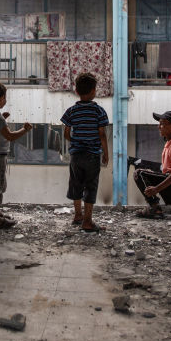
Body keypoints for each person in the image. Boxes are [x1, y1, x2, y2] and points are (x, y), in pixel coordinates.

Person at [59, 72, 109, 232]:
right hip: (93, 155)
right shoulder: (99, 111)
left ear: (77, 91)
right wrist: (105, 153)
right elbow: (102, 134)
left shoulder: (71, 111)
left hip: (76, 155)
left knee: (76, 184)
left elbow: (66, 133)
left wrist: (75, 142)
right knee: (90, 186)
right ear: (94, 91)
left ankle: (77, 215)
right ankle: (87, 221)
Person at [0, 82, 32, 230]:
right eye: (4, 98)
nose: (5, 100)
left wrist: (3, 118)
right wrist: (24, 129)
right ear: (0, 98)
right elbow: (9, 136)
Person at [134, 111, 171, 218]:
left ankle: (154, 207)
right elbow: (170, 172)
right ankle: (156, 208)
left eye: (162, 123)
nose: (158, 126)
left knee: (139, 173)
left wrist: (156, 189)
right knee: (144, 174)